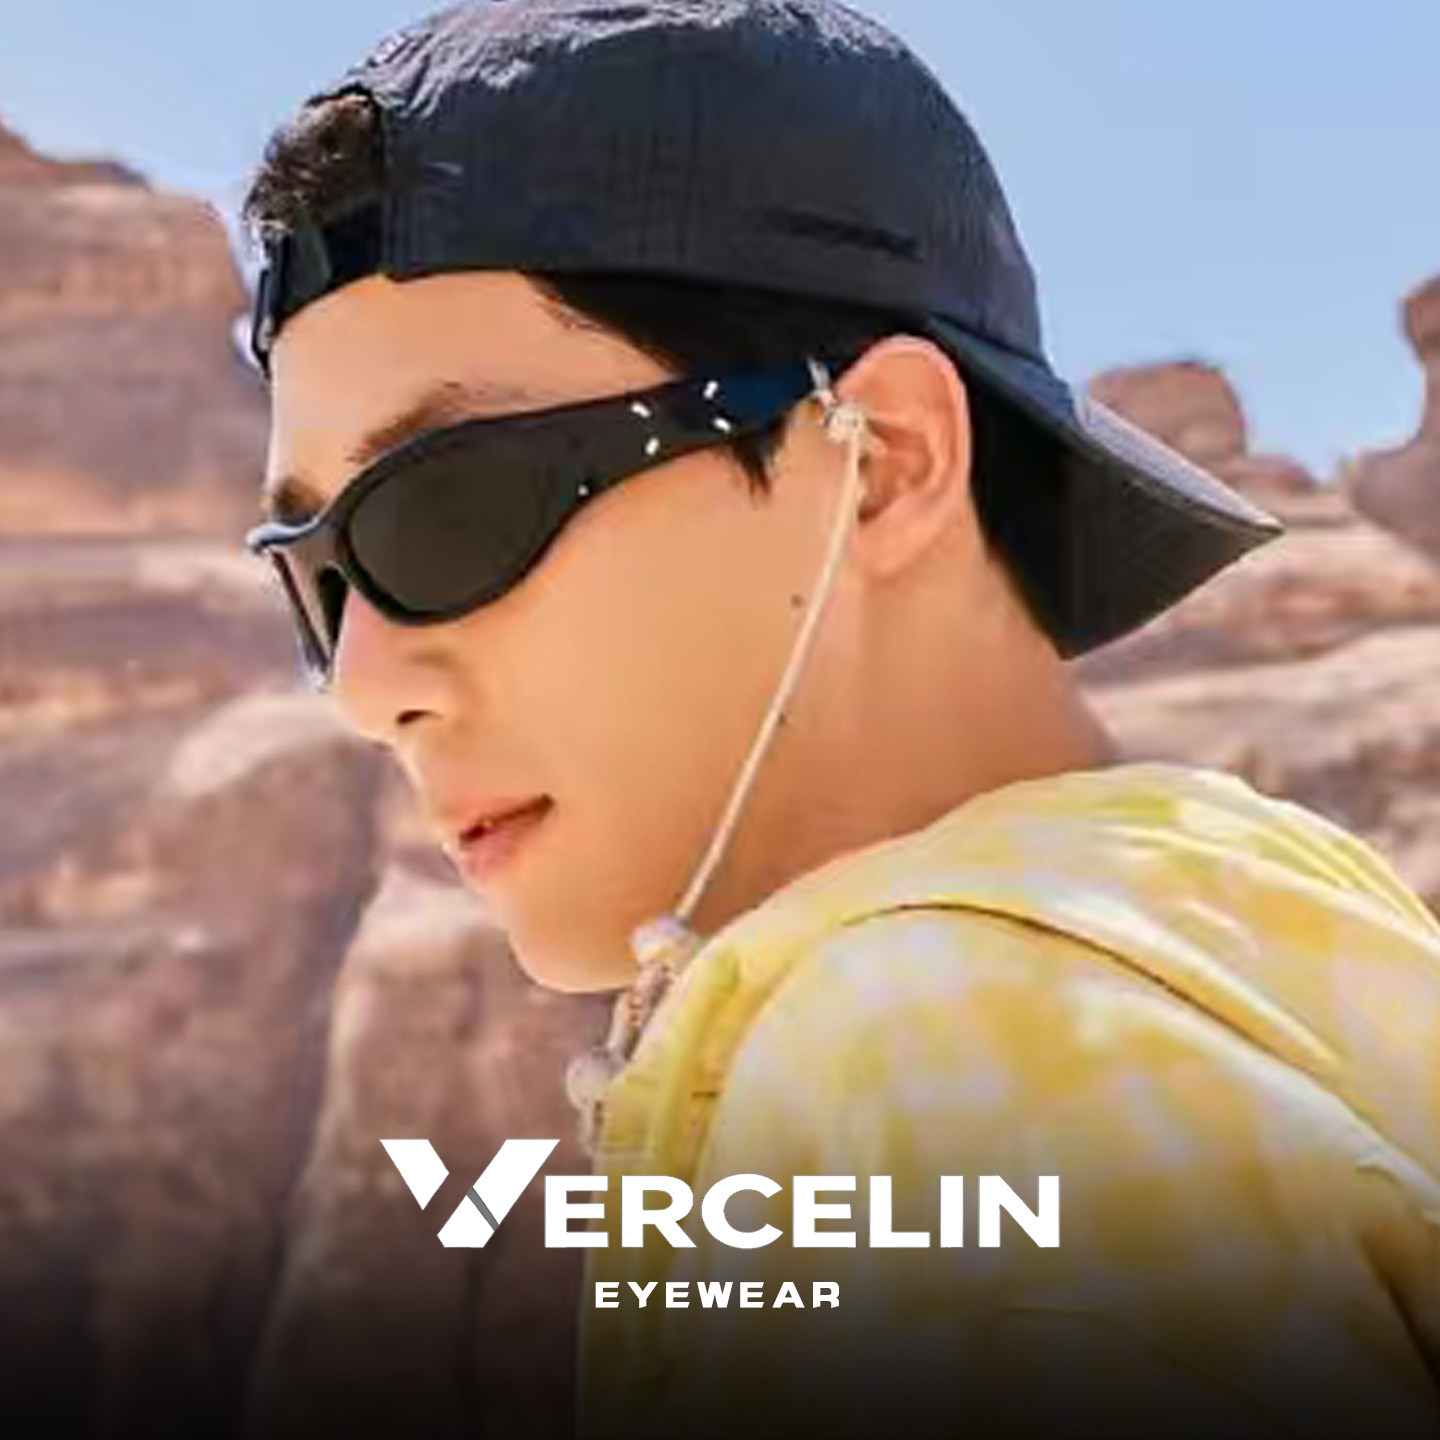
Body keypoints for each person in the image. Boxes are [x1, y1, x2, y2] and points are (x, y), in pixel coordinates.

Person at [238, 1, 1440, 1434]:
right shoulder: (1283, 935)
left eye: (444, 510)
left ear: (884, 463)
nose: (365, 687)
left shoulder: (924, 1058)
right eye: (315, 578)